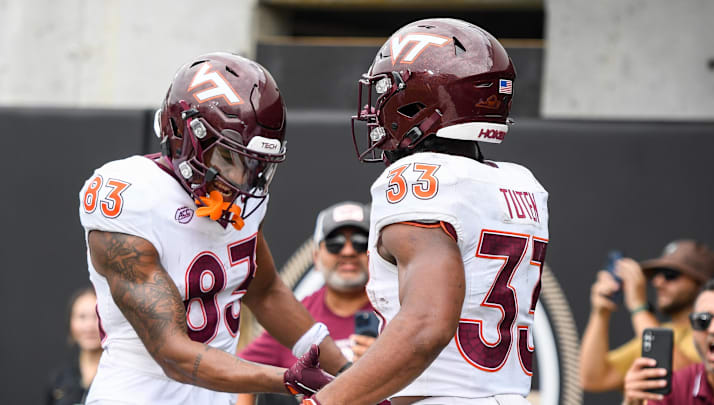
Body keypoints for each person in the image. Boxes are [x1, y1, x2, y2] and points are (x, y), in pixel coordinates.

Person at [296, 18, 550, 405]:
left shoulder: (420, 179)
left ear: (418, 101)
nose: (378, 110)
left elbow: (426, 325)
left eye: (387, 93)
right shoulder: (520, 183)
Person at [78, 52, 347, 404]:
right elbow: (173, 353)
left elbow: (264, 292)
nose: (242, 180)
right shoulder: (132, 196)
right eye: (230, 158)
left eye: (256, 165)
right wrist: (288, 379)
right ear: (186, 135)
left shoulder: (241, 199)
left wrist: (345, 371)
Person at [236, 201, 376, 405]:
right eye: (335, 243)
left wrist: (387, 362)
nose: (348, 252)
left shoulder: (396, 309)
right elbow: (243, 372)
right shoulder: (297, 314)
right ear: (316, 257)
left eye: (360, 242)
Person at [580, 240, 714, 392]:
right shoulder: (658, 330)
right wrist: (601, 313)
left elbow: (687, 383)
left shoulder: (709, 334)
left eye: (670, 275)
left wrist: (639, 307)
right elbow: (592, 378)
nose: (658, 282)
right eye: (656, 275)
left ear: (702, 283)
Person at [623, 275, 714, 404]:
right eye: (702, 320)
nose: (713, 329)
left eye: (670, 275)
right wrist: (631, 402)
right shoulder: (678, 385)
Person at [46, 286, 102, 405]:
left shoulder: (120, 375)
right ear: (71, 324)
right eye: (82, 317)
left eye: (97, 316)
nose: (89, 326)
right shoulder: (59, 380)